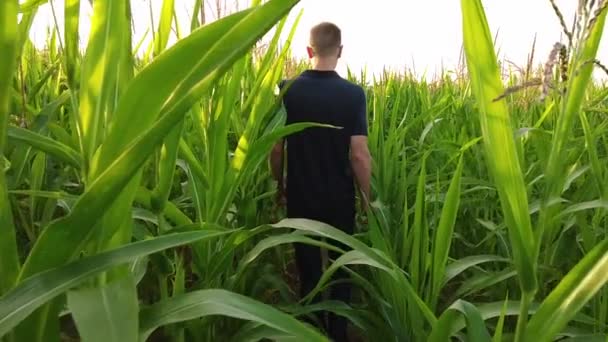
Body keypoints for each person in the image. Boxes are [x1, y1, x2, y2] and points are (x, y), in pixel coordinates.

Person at [269, 22, 372, 342]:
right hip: (339, 197)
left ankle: (311, 331)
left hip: (301, 196)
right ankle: (339, 332)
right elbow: (359, 154)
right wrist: (366, 199)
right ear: (340, 51)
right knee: (342, 268)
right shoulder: (354, 95)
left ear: (309, 51)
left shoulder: (286, 88)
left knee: (308, 268)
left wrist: (279, 184)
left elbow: (275, 146)